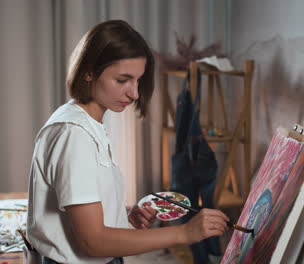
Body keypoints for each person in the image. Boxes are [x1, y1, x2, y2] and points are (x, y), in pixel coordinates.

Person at [26, 20, 229, 264]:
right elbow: (94, 241)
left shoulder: (85, 121)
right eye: (122, 80)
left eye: (138, 80)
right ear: (89, 72)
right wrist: (184, 232)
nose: (134, 93)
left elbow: (79, 208)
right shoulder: (74, 135)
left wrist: (122, 217)